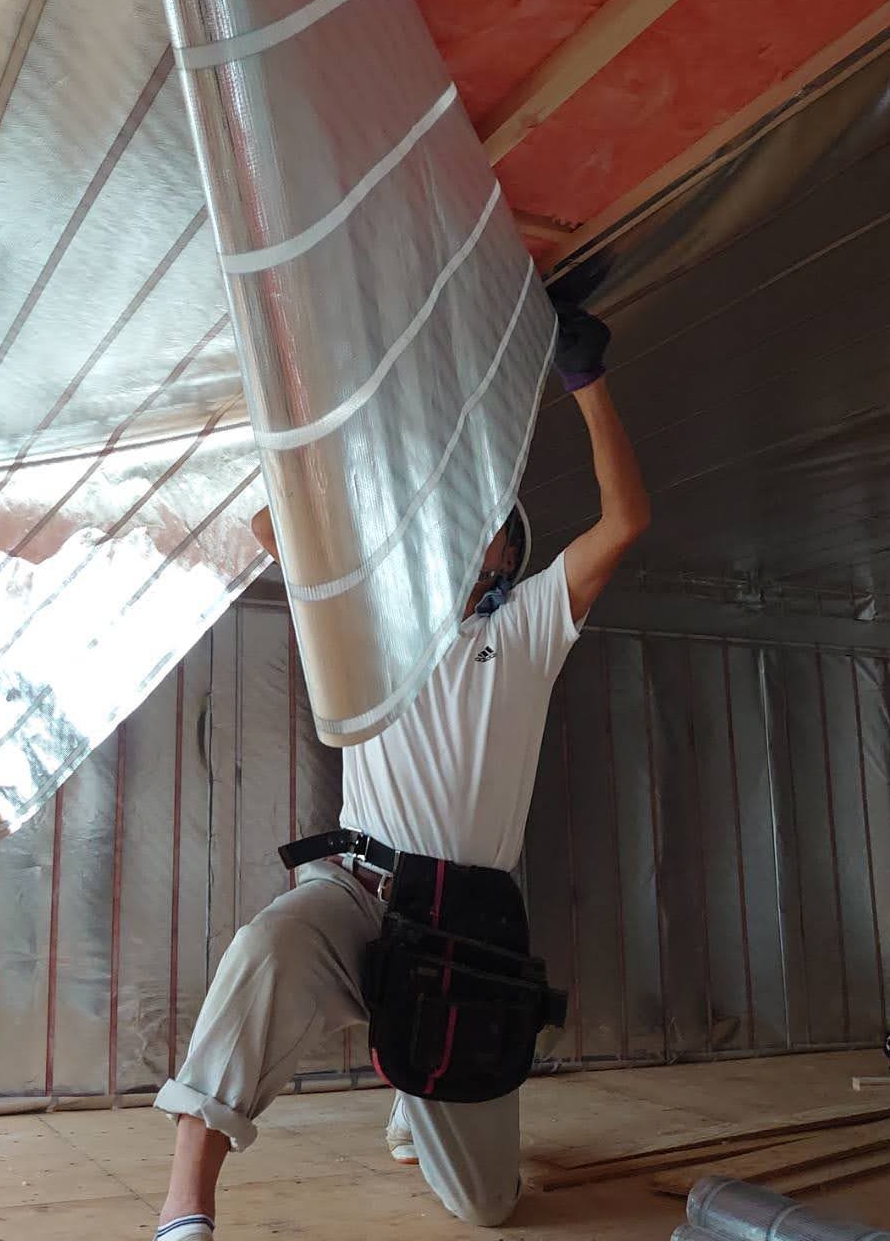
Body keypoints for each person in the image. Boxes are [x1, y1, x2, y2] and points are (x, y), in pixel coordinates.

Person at [152, 303, 650, 1239]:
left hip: (458, 927)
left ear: (507, 558)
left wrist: (585, 383)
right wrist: (350, 420)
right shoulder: (367, 616)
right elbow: (269, 517)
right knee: (264, 949)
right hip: (355, 892)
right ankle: (186, 1208)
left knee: (489, 1209)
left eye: (484, 521)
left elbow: (626, 520)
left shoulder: (526, 629)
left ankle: (413, 1095)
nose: (460, 527)